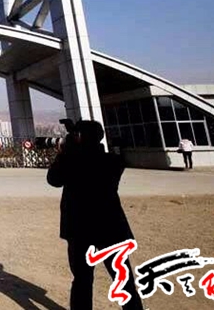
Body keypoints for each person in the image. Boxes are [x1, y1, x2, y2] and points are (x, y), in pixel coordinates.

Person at [47, 120, 143, 310]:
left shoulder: (72, 161)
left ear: (80, 138)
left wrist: (65, 152)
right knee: (123, 278)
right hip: (111, 227)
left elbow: (53, 179)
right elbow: (114, 159)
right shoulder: (112, 161)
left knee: (82, 280)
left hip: (79, 229)